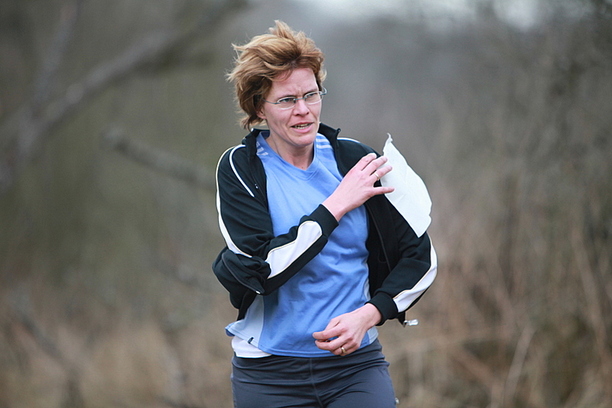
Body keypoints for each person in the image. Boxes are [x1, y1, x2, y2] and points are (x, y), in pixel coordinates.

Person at [212, 20, 437, 408]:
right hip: (268, 373)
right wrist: (337, 204)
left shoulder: (359, 161)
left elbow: (422, 258)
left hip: (355, 367)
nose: (303, 111)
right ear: (259, 107)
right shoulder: (240, 168)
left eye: (311, 95)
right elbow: (261, 269)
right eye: (287, 100)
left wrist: (370, 314)